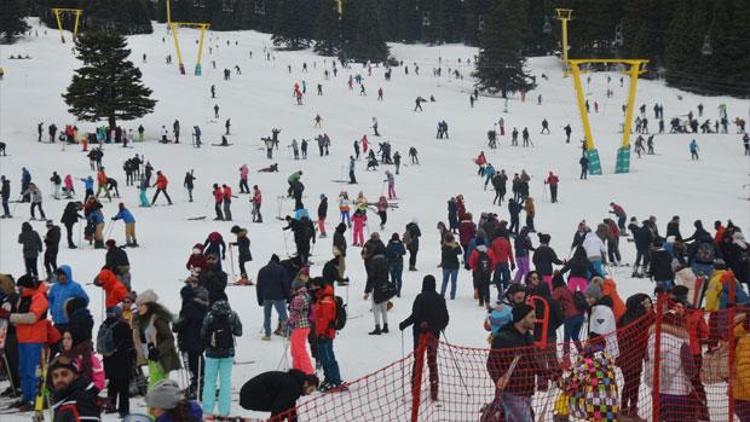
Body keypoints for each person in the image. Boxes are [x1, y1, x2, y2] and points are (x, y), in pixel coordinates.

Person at [486, 303, 542, 421]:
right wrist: (498, 378)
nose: (535, 320)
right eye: (531, 317)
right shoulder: (504, 338)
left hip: (526, 390)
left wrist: (550, 373)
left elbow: (533, 363)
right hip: (511, 392)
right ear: (522, 318)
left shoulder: (529, 338)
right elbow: (491, 363)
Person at [0, 274, 48, 411]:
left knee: (33, 371)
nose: (19, 290)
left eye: (21, 287)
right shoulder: (24, 297)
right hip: (23, 338)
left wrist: (10, 316)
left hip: (35, 339)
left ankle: (35, 398)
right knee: (23, 369)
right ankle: (27, 396)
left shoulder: (39, 297)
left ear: (27, 287)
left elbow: (32, 317)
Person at [399, 274, 450, 401]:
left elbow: (415, 316)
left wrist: (403, 324)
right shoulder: (440, 299)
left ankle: (415, 389)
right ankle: (434, 390)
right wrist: (440, 326)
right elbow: (445, 318)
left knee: (418, 360)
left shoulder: (420, 298)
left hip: (419, 334)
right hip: (434, 334)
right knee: (432, 361)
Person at [200, 299, 242, 417]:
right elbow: (239, 332)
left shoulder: (209, 316)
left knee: (209, 381)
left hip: (211, 354)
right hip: (228, 353)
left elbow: (203, 334)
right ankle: (224, 410)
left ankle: (208, 409)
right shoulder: (232, 315)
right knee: (225, 381)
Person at [132, 289, 181, 389]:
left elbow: (169, 339)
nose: (139, 308)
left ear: (149, 306)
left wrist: (157, 350)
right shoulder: (142, 320)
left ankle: (154, 403)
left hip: (161, 358)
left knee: (156, 385)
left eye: (142, 305)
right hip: (150, 356)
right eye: (137, 305)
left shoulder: (158, 320)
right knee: (157, 384)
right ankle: (156, 403)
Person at [173, 277, 208, 400]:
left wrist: (175, 324)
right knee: (198, 362)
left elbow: (180, 324)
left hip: (190, 340)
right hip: (199, 340)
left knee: (193, 365)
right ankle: (199, 384)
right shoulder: (201, 306)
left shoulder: (188, 308)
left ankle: (198, 386)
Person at [239, 369, 319, 420]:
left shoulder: (294, 382)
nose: (309, 393)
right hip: (250, 396)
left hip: (248, 394)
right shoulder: (293, 387)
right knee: (282, 406)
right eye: (311, 390)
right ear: (306, 383)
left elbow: (290, 407)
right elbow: (277, 408)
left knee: (285, 404)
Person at [100, 305, 135, 417]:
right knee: (123, 386)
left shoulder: (104, 325)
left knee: (113, 383)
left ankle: (111, 405)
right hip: (122, 360)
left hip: (108, 360)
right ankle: (124, 410)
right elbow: (130, 343)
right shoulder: (123, 326)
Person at [48, 354, 101, 421]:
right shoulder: (63, 398)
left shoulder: (82, 399)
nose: (59, 379)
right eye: (55, 376)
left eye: (64, 374)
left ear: (76, 375)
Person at [313, 283, 344, 391]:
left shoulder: (327, 301)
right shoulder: (324, 298)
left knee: (328, 358)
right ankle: (329, 379)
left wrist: (321, 333)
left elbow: (324, 319)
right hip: (323, 333)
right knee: (324, 357)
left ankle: (334, 380)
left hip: (325, 334)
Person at [256, 255, 291, 340]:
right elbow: (285, 284)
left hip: (266, 297)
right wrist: (288, 296)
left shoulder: (262, 270)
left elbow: (259, 286)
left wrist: (260, 299)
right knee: (283, 316)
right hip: (278, 297)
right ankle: (288, 333)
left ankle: (267, 335)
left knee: (267, 316)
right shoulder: (281, 270)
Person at [49, 265, 89, 334]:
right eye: (59, 275)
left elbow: (85, 300)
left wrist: (75, 311)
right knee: (56, 343)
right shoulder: (55, 287)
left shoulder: (74, 287)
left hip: (69, 323)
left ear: (68, 275)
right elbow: (50, 299)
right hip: (57, 322)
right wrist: (52, 309)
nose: (61, 277)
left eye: (63, 275)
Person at [364, 254, 393, 335]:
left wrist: (367, 291)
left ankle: (377, 327)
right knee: (384, 307)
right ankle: (385, 326)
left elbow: (370, 277)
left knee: (375, 308)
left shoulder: (373, 263)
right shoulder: (385, 262)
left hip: (376, 287)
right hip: (384, 287)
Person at [440, 233, 462, 300]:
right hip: (454, 265)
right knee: (454, 281)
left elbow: (443, 256)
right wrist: (456, 246)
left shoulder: (444, 246)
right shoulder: (455, 245)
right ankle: (452, 295)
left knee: (445, 281)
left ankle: (442, 294)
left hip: (446, 266)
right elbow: (460, 252)